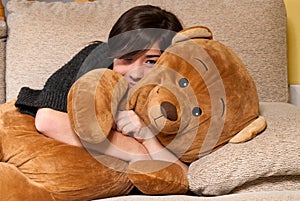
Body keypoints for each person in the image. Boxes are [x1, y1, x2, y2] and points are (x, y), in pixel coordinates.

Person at [15, 5, 187, 172]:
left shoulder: (178, 92)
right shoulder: (97, 59)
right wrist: (136, 151)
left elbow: (184, 175)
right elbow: (48, 120)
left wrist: (147, 138)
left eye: (151, 61)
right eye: (126, 58)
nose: (134, 73)